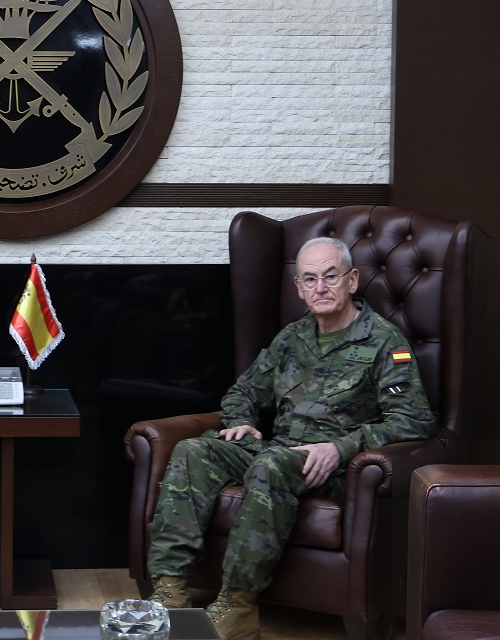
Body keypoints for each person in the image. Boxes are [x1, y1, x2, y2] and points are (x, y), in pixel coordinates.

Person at [146, 237, 434, 640]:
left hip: (334, 466)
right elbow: (243, 391)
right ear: (299, 288)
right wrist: (241, 421)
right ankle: (171, 586)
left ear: (352, 280)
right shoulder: (291, 338)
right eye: (310, 279)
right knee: (195, 450)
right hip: (279, 450)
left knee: (269, 464)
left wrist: (341, 448)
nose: (321, 288)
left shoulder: (385, 342)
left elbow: (413, 420)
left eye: (331, 276)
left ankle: (238, 605)